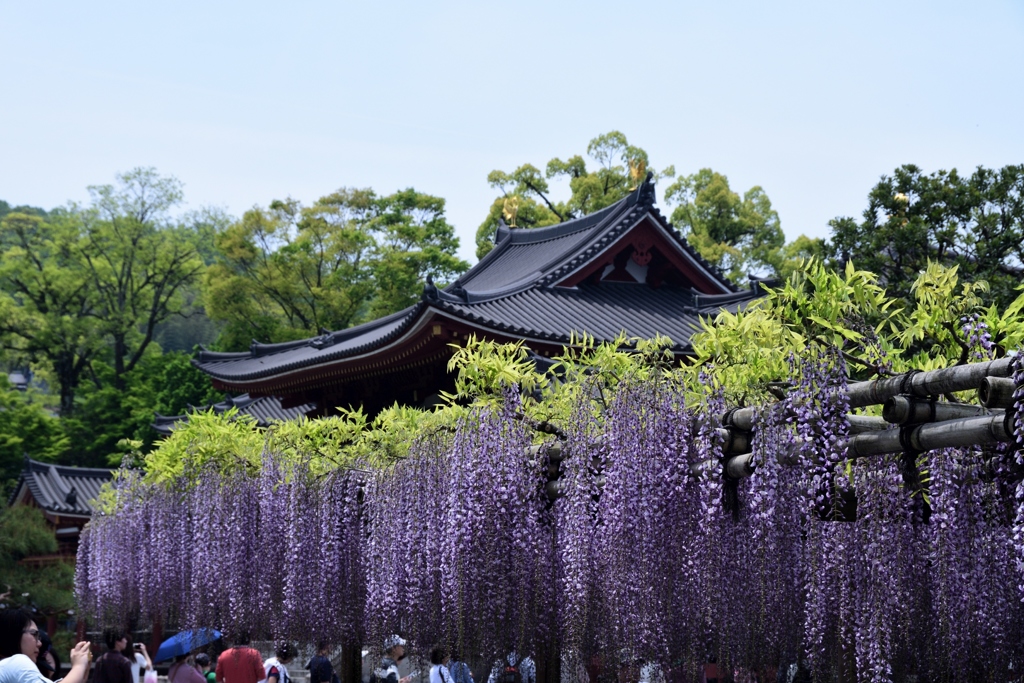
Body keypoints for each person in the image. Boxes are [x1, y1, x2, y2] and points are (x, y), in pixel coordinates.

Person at [0, 608, 91, 683]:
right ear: (14, 634)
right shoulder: (16, 662)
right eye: (34, 634)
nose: (39, 643)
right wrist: (79, 666)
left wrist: (82, 668)